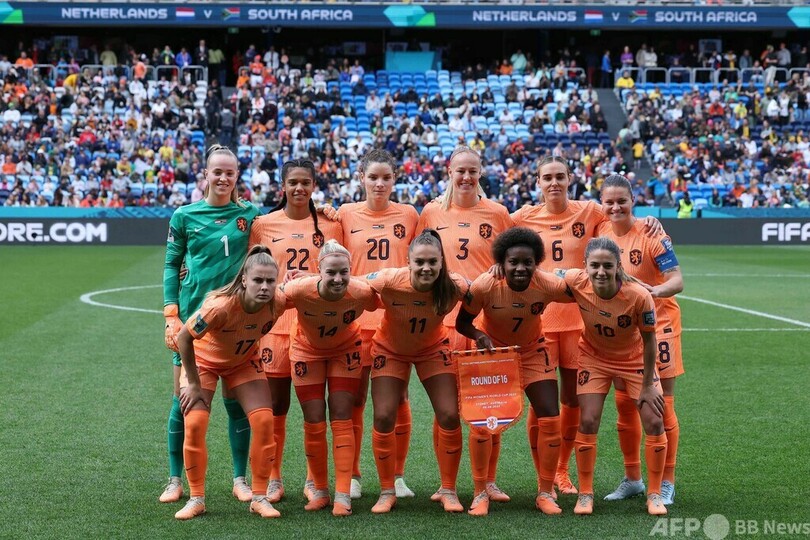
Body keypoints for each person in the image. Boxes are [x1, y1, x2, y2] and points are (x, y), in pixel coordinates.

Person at [511, 156, 660, 498]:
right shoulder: (522, 217)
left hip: (580, 322)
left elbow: (621, 217)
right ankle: (543, 477)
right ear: (537, 181)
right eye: (547, 177)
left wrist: (648, 221)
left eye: (560, 176)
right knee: (540, 403)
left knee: (572, 401)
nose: (554, 183)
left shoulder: (590, 211)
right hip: (540, 321)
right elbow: (500, 244)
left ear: (570, 179)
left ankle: (562, 471)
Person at [161, 144, 260, 504]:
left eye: (229, 173)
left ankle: (240, 479)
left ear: (237, 176)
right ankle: (175, 479)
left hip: (236, 323)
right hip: (193, 322)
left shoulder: (250, 214)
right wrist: (171, 314)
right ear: (205, 174)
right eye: (217, 172)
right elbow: (172, 264)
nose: (223, 178)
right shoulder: (184, 215)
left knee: (235, 403)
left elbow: (283, 226)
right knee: (183, 401)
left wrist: (321, 210)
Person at [416, 146, 514, 504]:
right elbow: (418, 258)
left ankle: (488, 482)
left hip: (486, 323)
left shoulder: (498, 213)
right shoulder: (431, 212)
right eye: (461, 170)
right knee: (448, 408)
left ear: (481, 172)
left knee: (490, 403)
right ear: (449, 171)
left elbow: (512, 257)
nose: (467, 177)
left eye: (473, 170)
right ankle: (447, 485)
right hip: (445, 322)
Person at [455, 228, 574, 516]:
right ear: (502, 263)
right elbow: (462, 323)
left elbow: (581, 290)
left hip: (532, 351)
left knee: (550, 416)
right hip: (494, 355)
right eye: (513, 262)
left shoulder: (547, 284)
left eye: (527, 262)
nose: (521, 268)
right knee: (482, 422)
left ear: (537, 263)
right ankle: (480, 492)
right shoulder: (485, 285)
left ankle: (545, 492)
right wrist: (479, 335)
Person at [248, 159, 343, 503]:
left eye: (306, 182)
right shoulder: (263, 225)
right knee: (276, 405)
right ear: (283, 186)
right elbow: (252, 271)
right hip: (274, 325)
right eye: (293, 182)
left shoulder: (331, 224)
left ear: (314, 185)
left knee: (312, 407)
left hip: (315, 326)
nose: (299, 188)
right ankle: (273, 478)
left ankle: (313, 479)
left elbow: (340, 271)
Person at [173, 245, 285, 520]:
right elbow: (184, 337)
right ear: (244, 279)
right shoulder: (220, 307)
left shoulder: (278, 302)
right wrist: (193, 383)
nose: (264, 287)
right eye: (258, 280)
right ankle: (196, 498)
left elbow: (311, 288)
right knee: (195, 423)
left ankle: (259, 498)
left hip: (243, 362)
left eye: (270, 281)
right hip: (204, 362)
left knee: (264, 422)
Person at [560, 237, 667, 516]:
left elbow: (650, 341)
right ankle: (585, 494)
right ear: (585, 265)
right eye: (594, 265)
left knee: (655, 420)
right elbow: (543, 276)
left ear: (618, 266)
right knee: (588, 420)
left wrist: (648, 386)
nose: (601, 272)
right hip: (594, 358)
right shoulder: (575, 280)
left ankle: (654, 494)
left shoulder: (638, 296)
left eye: (607, 266)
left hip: (634, 361)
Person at [366, 230, 471, 514]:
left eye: (432, 262)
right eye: (420, 262)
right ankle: (387, 491)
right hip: (390, 349)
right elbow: (351, 285)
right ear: (408, 262)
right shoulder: (389, 279)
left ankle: (448, 489)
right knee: (383, 416)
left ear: (442, 262)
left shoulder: (455, 285)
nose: (426, 268)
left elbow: (484, 290)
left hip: (432, 349)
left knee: (449, 414)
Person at [335, 149, 419, 500]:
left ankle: (397, 476)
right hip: (355, 320)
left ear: (395, 179)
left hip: (395, 320)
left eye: (386, 177)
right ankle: (353, 476)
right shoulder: (345, 213)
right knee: (355, 397)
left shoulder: (409, 215)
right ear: (361, 178)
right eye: (373, 177)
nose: (379, 184)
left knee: (398, 397)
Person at [597, 175, 684, 506]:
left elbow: (677, 280)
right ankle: (633, 478)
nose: (616, 207)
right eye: (609, 202)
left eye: (622, 200)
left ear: (633, 200)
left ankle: (666, 481)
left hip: (660, 325)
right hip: (624, 331)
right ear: (602, 204)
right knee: (624, 404)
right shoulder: (600, 233)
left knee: (661, 403)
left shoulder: (651, 233)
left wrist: (654, 291)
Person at [281, 240, 378, 516]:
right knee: (313, 420)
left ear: (351, 270)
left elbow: (387, 298)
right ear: (319, 270)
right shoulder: (300, 289)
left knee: (342, 416)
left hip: (345, 350)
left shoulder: (360, 291)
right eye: (331, 272)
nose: (338, 279)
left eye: (343, 272)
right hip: (306, 350)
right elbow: (269, 299)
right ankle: (320, 490)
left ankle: (343, 494)